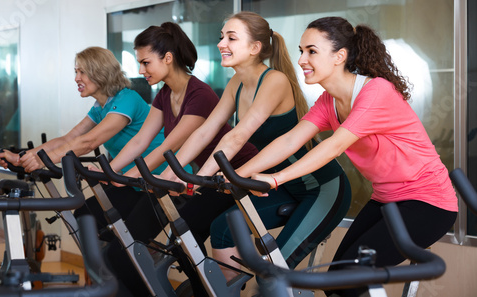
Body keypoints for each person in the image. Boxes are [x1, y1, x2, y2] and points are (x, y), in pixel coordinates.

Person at [242, 17, 458, 296]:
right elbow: (290, 140)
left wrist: (276, 179)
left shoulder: (376, 91)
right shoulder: (328, 101)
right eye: (301, 50)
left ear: (339, 56)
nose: (301, 60)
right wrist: (240, 174)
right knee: (337, 283)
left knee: (347, 282)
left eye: (311, 51)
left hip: (428, 203)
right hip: (386, 200)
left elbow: (333, 146)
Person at [161, 11, 351, 281]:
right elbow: (206, 131)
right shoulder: (236, 83)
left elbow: (237, 136)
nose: (221, 44)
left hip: (322, 189)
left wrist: (200, 179)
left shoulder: (274, 80)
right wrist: (174, 174)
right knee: (222, 228)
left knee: (274, 273)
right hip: (280, 186)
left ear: (255, 48)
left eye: (231, 38)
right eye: (221, 37)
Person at [101, 22, 258, 296]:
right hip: (211, 177)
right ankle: (203, 291)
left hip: (237, 174)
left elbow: (172, 146)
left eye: (146, 62)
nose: (141, 70)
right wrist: (112, 171)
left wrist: (138, 175)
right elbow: (142, 140)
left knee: (185, 235)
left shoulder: (200, 94)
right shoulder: (164, 94)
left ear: (168, 58)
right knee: (182, 238)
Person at [0, 46, 167, 234]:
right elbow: (69, 139)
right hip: (131, 183)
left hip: (160, 182)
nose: (76, 78)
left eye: (82, 72)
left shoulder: (128, 99)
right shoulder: (101, 107)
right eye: (76, 72)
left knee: (127, 239)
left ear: (100, 72)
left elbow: (88, 142)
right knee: (86, 217)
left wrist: (42, 160)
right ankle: (107, 262)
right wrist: (22, 157)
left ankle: (120, 261)